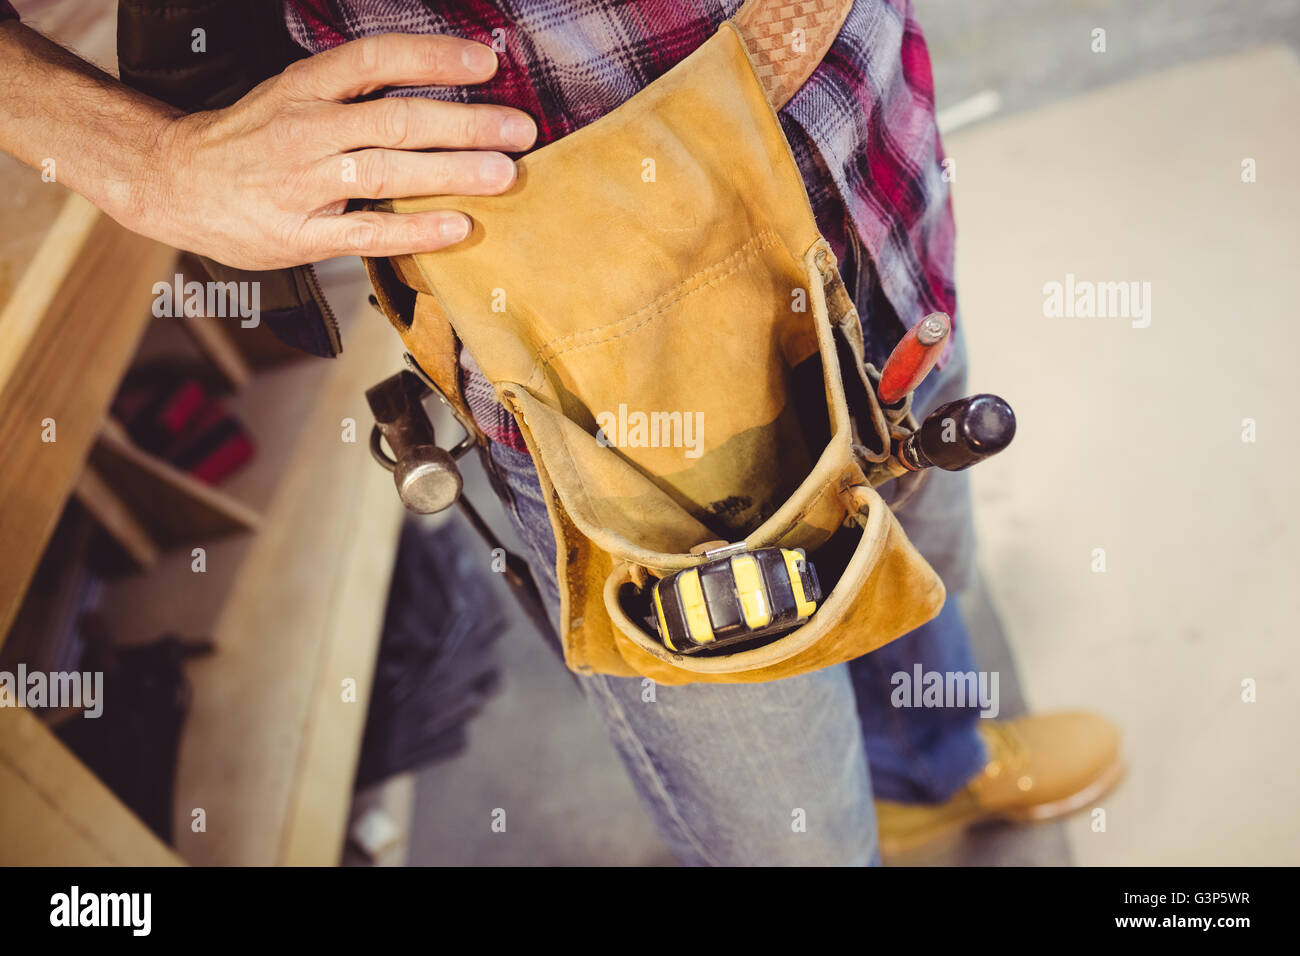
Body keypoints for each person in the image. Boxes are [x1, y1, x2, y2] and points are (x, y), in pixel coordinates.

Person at [0, 0, 1122, 865]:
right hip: (589, 324)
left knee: (918, 549)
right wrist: (140, 159)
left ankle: (931, 772)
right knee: (784, 817)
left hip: (864, 152)